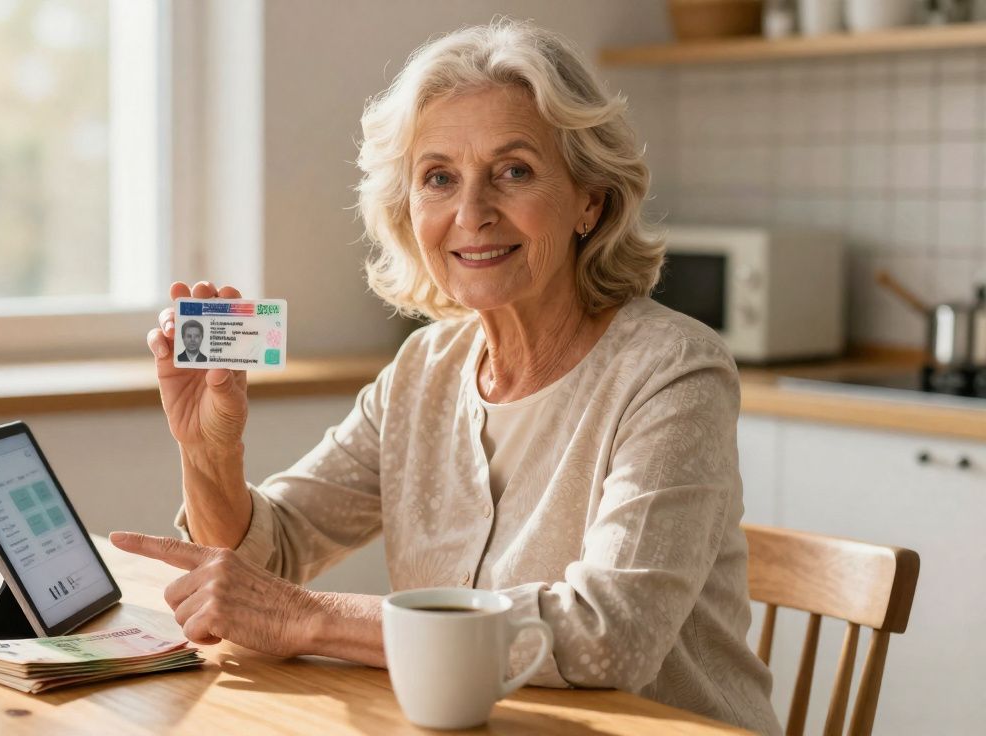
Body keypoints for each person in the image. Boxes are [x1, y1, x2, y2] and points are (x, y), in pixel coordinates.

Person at [111, 18, 780, 735]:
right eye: (439, 178)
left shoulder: (673, 371)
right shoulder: (424, 371)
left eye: (514, 171)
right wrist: (210, 452)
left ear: (590, 198)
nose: (472, 213)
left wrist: (313, 618)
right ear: (409, 210)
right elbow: (268, 559)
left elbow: (611, 632)